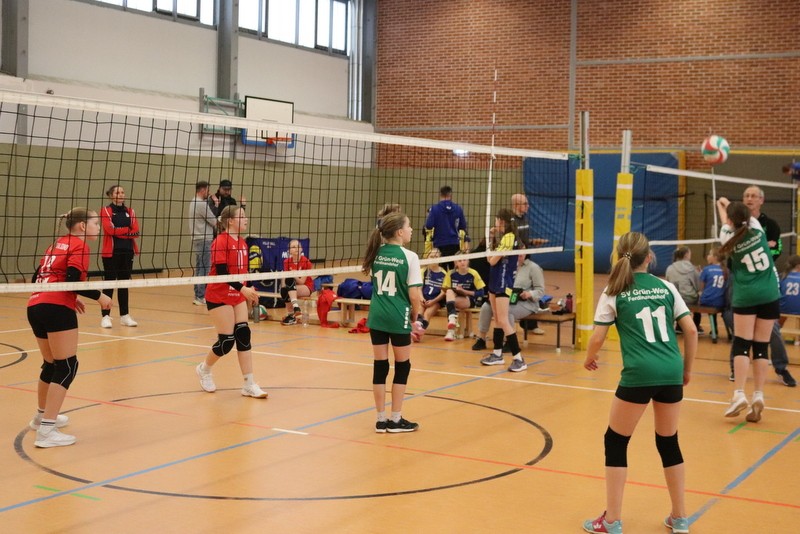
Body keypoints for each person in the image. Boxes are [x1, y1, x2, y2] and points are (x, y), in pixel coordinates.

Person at [583, 231, 696, 534]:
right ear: (649, 258)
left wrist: (589, 358)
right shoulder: (666, 286)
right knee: (668, 441)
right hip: (671, 370)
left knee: (616, 441)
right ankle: (680, 518)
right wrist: (686, 370)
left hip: (639, 373)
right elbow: (691, 330)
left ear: (619, 257)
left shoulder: (614, 289)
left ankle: (612, 521)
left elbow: (597, 337)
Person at [27, 208, 113, 447]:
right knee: (67, 366)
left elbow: (37, 279)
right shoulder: (79, 245)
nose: (99, 227)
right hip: (55, 308)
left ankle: (41, 417)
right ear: (83, 226)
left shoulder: (55, 245)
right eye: (96, 223)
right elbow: (73, 280)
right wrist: (100, 296)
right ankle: (47, 431)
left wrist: (70, 296)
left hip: (35, 305)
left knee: (51, 364)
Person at [717, 197, 781, 421]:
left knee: (742, 344)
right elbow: (737, 216)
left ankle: (738, 394)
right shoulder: (757, 228)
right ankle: (759, 395)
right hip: (770, 293)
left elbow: (726, 221)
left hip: (747, 295)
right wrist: (729, 204)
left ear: (730, 221)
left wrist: (720, 203)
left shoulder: (727, 237)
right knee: (761, 346)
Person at [195, 206, 267, 399]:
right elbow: (221, 272)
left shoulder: (243, 243)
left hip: (237, 294)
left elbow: (242, 272)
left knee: (243, 335)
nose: (246, 219)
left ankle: (249, 384)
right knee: (226, 341)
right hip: (219, 295)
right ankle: (204, 369)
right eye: (241, 216)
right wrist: (242, 289)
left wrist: (249, 289)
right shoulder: (220, 241)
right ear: (230, 221)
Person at [362, 210, 424, 433]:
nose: (411, 230)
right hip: (398, 315)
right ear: (399, 232)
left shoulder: (375, 252)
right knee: (402, 366)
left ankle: (381, 420)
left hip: (377, 316)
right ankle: (395, 419)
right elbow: (414, 295)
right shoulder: (410, 257)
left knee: (380, 366)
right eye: (408, 226)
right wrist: (415, 315)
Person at [479, 208, 527, 372]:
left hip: (503, 282)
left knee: (503, 320)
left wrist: (489, 243)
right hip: (496, 280)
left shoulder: (509, 237)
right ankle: (497, 354)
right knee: (498, 318)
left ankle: (518, 358)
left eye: (496, 220)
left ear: (501, 221)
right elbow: (495, 258)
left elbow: (491, 260)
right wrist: (491, 238)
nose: (495, 223)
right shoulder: (506, 238)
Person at [473, 254, 545, 350]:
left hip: (526, 303)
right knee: (486, 307)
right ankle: (481, 339)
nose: (520, 254)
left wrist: (529, 294)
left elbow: (540, 291)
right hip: (507, 298)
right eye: (517, 251)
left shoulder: (534, 268)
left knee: (507, 311)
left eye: (522, 251)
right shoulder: (506, 265)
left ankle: (510, 342)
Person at [99, 184, 139, 328]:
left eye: (122, 192)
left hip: (127, 251)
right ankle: (105, 316)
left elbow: (136, 231)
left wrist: (120, 231)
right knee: (109, 284)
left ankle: (124, 316)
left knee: (124, 284)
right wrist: (127, 230)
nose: (121, 194)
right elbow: (109, 230)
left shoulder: (130, 211)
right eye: (117, 193)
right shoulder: (106, 210)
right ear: (111, 196)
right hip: (111, 253)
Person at [511, 193, 546, 334]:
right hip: (515, 258)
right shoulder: (511, 221)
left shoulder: (524, 219)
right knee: (518, 288)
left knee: (531, 287)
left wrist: (532, 242)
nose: (528, 206)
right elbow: (513, 241)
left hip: (526, 255)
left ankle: (531, 325)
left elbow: (523, 239)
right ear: (516, 205)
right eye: (525, 204)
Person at [441, 253, 486, 341]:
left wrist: (464, 291)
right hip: (454, 298)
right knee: (449, 292)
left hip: (469, 300)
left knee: (450, 302)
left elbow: (481, 293)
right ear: (456, 262)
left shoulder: (473, 273)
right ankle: (452, 321)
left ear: (468, 261)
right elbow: (445, 290)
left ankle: (451, 331)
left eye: (464, 260)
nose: (462, 262)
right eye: (459, 260)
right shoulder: (450, 274)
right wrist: (456, 292)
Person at [424, 185, 469, 270]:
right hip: (454, 244)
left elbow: (428, 226)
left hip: (440, 244)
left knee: (441, 271)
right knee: (454, 271)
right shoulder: (458, 209)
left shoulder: (435, 209)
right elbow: (463, 226)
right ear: (450, 195)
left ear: (440, 195)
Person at [189, 180, 217, 306]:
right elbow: (213, 221)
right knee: (205, 268)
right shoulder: (201, 204)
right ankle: (201, 296)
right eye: (208, 190)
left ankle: (198, 295)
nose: (209, 193)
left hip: (198, 239)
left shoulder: (193, 202)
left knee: (200, 268)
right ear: (203, 190)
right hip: (204, 240)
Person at [665, 246, 703, 334]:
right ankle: (696, 325)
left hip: (674, 298)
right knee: (699, 298)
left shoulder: (670, 268)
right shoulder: (692, 269)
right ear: (686, 255)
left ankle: (679, 326)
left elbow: (667, 284)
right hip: (690, 298)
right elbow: (698, 286)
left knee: (677, 298)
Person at [279, 239, 314, 326]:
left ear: (301, 249)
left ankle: (293, 312)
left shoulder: (306, 262)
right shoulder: (286, 262)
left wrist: (294, 275)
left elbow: (302, 281)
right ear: (289, 251)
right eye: (293, 247)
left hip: (306, 287)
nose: (296, 249)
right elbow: (286, 280)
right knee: (283, 290)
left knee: (289, 284)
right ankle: (293, 313)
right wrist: (284, 287)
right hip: (292, 287)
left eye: (298, 247)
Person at [416, 248, 446, 335]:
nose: (434, 259)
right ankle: (416, 329)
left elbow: (443, 292)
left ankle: (420, 332)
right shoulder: (423, 271)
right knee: (420, 310)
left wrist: (433, 301)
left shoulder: (444, 274)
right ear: (427, 258)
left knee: (427, 313)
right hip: (424, 298)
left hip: (436, 301)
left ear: (440, 258)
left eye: (436, 257)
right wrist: (421, 298)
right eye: (431, 256)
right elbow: (419, 288)